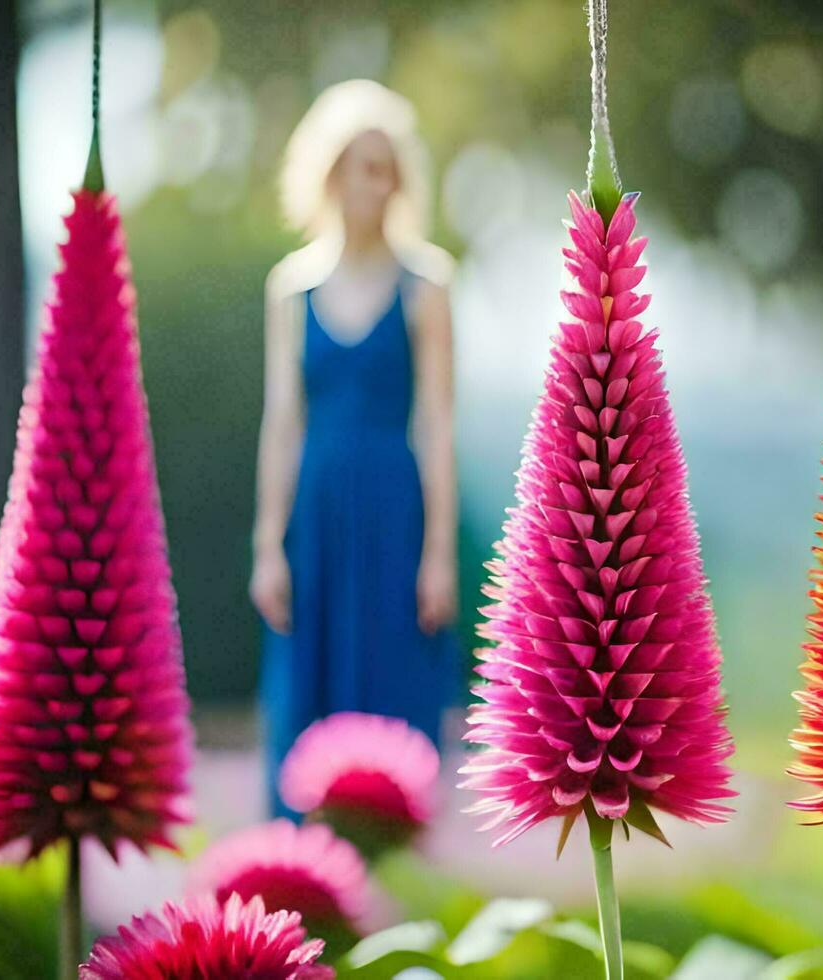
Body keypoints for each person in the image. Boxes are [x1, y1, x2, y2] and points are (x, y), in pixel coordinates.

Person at [251, 80, 458, 818]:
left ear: (398, 181)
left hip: (393, 509)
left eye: (381, 168)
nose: (366, 184)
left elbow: (436, 422)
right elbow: (283, 420)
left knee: (391, 680)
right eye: (352, 165)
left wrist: (437, 553)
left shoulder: (427, 285)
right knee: (307, 686)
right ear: (324, 173)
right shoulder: (290, 288)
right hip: (317, 511)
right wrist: (268, 544)